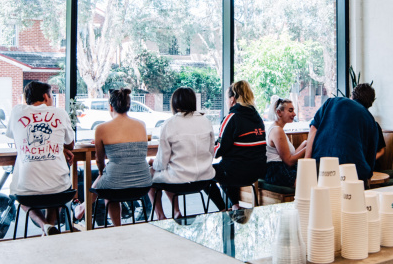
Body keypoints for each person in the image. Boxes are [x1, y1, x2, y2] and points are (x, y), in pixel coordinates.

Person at [6, 81, 75, 236]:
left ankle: (45, 226)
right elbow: (70, 144)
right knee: (55, 196)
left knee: (21, 198)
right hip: (60, 190)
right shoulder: (60, 113)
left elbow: (16, 138)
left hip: (27, 192)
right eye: (51, 96)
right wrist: (61, 148)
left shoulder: (17, 112)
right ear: (45, 96)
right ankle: (48, 228)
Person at [88, 88, 152, 226]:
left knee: (109, 188)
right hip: (143, 184)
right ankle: (82, 208)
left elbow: (99, 161)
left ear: (110, 107)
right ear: (129, 106)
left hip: (115, 187)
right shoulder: (141, 125)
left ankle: (117, 227)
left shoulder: (101, 128)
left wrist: (102, 173)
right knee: (110, 182)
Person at [149, 87, 215, 219]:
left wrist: (153, 163)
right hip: (204, 180)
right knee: (169, 172)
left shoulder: (169, 124)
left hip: (177, 181)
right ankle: (176, 211)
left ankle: (161, 216)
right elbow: (210, 153)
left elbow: (162, 162)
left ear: (175, 104)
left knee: (151, 175)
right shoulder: (206, 122)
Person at [207, 80, 267, 210]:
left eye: (227, 99)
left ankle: (223, 210)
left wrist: (206, 147)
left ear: (232, 99)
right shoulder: (258, 118)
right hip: (257, 172)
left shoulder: (232, 117)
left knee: (205, 174)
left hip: (236, 173)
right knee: (227, 164)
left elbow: (218, 151)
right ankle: (235, 205)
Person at [304, 84, 380, 183]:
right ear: (371, 103)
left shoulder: (331, 102)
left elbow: (313, 129)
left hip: (321, 165)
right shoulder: (371, 121)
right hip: (352, 171)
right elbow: (371, 157)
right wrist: (367, 179)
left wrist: (306, 164)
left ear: (352, 96)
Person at [264, 97, 308, 188]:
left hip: (282, 168)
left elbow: (291, 155)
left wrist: (305, 143)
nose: (294, 114)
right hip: (277, 171)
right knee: (310, 178)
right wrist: (308, 148)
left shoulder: (278, 129)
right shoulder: (277, 131)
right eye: (290, 111)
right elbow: (289, 161)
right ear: (279, 112)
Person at [351, 83, 387, 161]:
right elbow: (381, 151)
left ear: (353, 97)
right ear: (372, 101)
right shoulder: (373, 125)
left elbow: (381, 151)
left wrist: (366, 162)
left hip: (366, 165)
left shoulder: (374, 126)